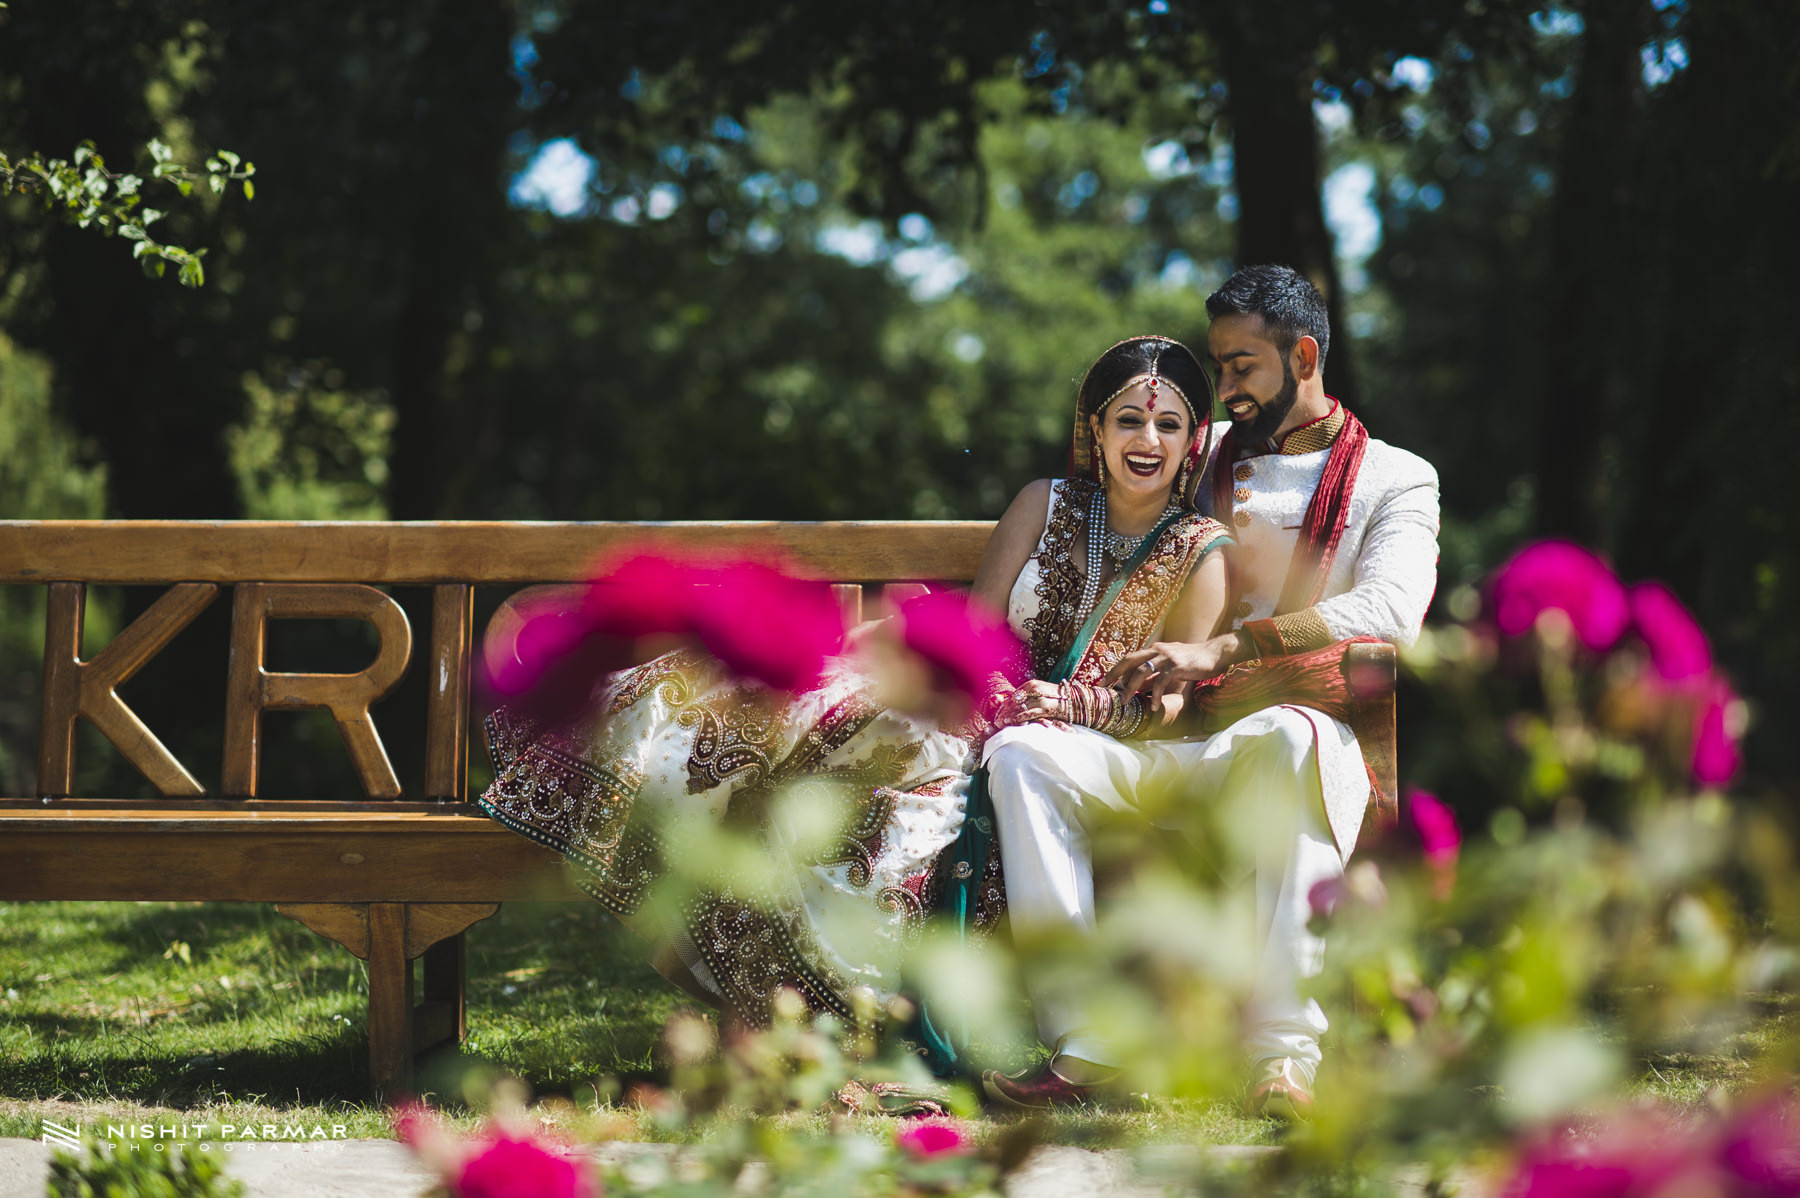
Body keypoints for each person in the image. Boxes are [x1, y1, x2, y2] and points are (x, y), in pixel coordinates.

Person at [476, 335, 1235, 1039]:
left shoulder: (1201, 552)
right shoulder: (1045, 503)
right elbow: (980, 625)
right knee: (778, 708)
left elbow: (1171, 706)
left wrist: (1070, 704)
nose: (1148, 441)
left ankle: (807, 1003)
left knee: (871, 790)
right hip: (970, 705)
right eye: (1130, 419)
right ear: (1094, 430)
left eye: (1169, 425)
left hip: (1060, 748)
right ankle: (630, 801)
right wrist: (989, 689)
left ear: (1191, 440)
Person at [981, 265, 1439, 1116]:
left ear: (1303, 355)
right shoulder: (1204, 455)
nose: (1223, 386)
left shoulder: (1396, 478)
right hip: (1169, 736)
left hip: (1308, 733)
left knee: (1283, 739)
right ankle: (1089, 1047)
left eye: (1241, 367)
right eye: (1219, 367)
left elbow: (1389, 614)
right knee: (1024, 756)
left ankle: (1282, 1058)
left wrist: (1226, 647)